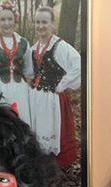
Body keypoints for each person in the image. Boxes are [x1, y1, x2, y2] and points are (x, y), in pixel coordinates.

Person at [28, 5, 81, 168]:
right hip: (36, 97)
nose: (40, 26)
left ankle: (54, 163)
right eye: (38, 22)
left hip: (53, 99)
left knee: (51, 129)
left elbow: (78, 64)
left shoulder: (60, 46)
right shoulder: (34, 48)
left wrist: (63, 83)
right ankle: (40, 160)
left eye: (44, 22)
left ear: (52, 24)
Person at [0, 2, 34, 126]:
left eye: (10, 19)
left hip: (20, 89)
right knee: (2, 123)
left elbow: (29, 69)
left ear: (15, 20)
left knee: (21, 121)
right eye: (3, 19)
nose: (6, 23)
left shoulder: (23, 42)